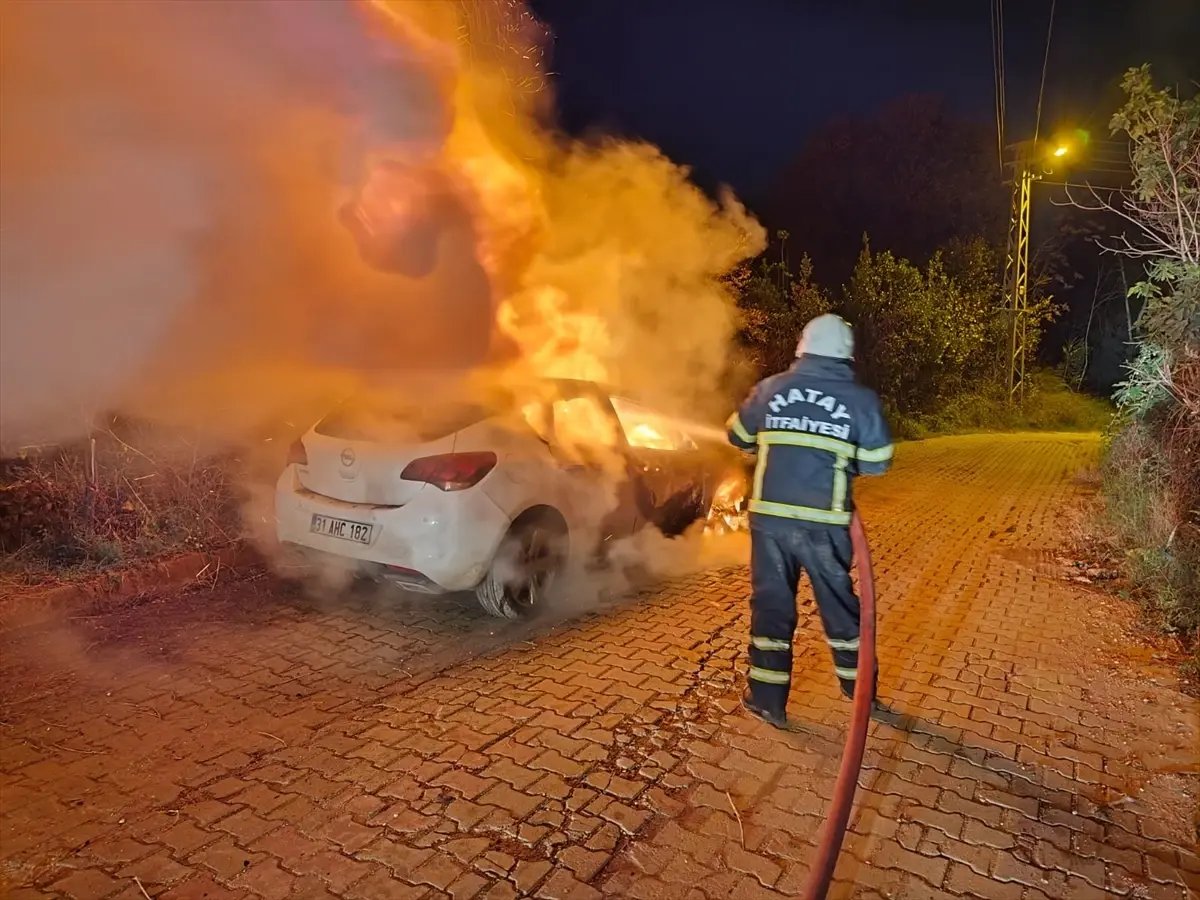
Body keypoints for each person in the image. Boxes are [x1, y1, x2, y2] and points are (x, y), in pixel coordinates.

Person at [726, 313, 893, 728]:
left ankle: (768, 701)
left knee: (772, 607)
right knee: (839, 608)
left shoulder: (770, 388)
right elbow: (877, 461)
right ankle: (861, 694)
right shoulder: (860, 400)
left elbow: (738, 436)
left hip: (770, 523)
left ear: (803, 346)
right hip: (824, 524)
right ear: (847, 355)